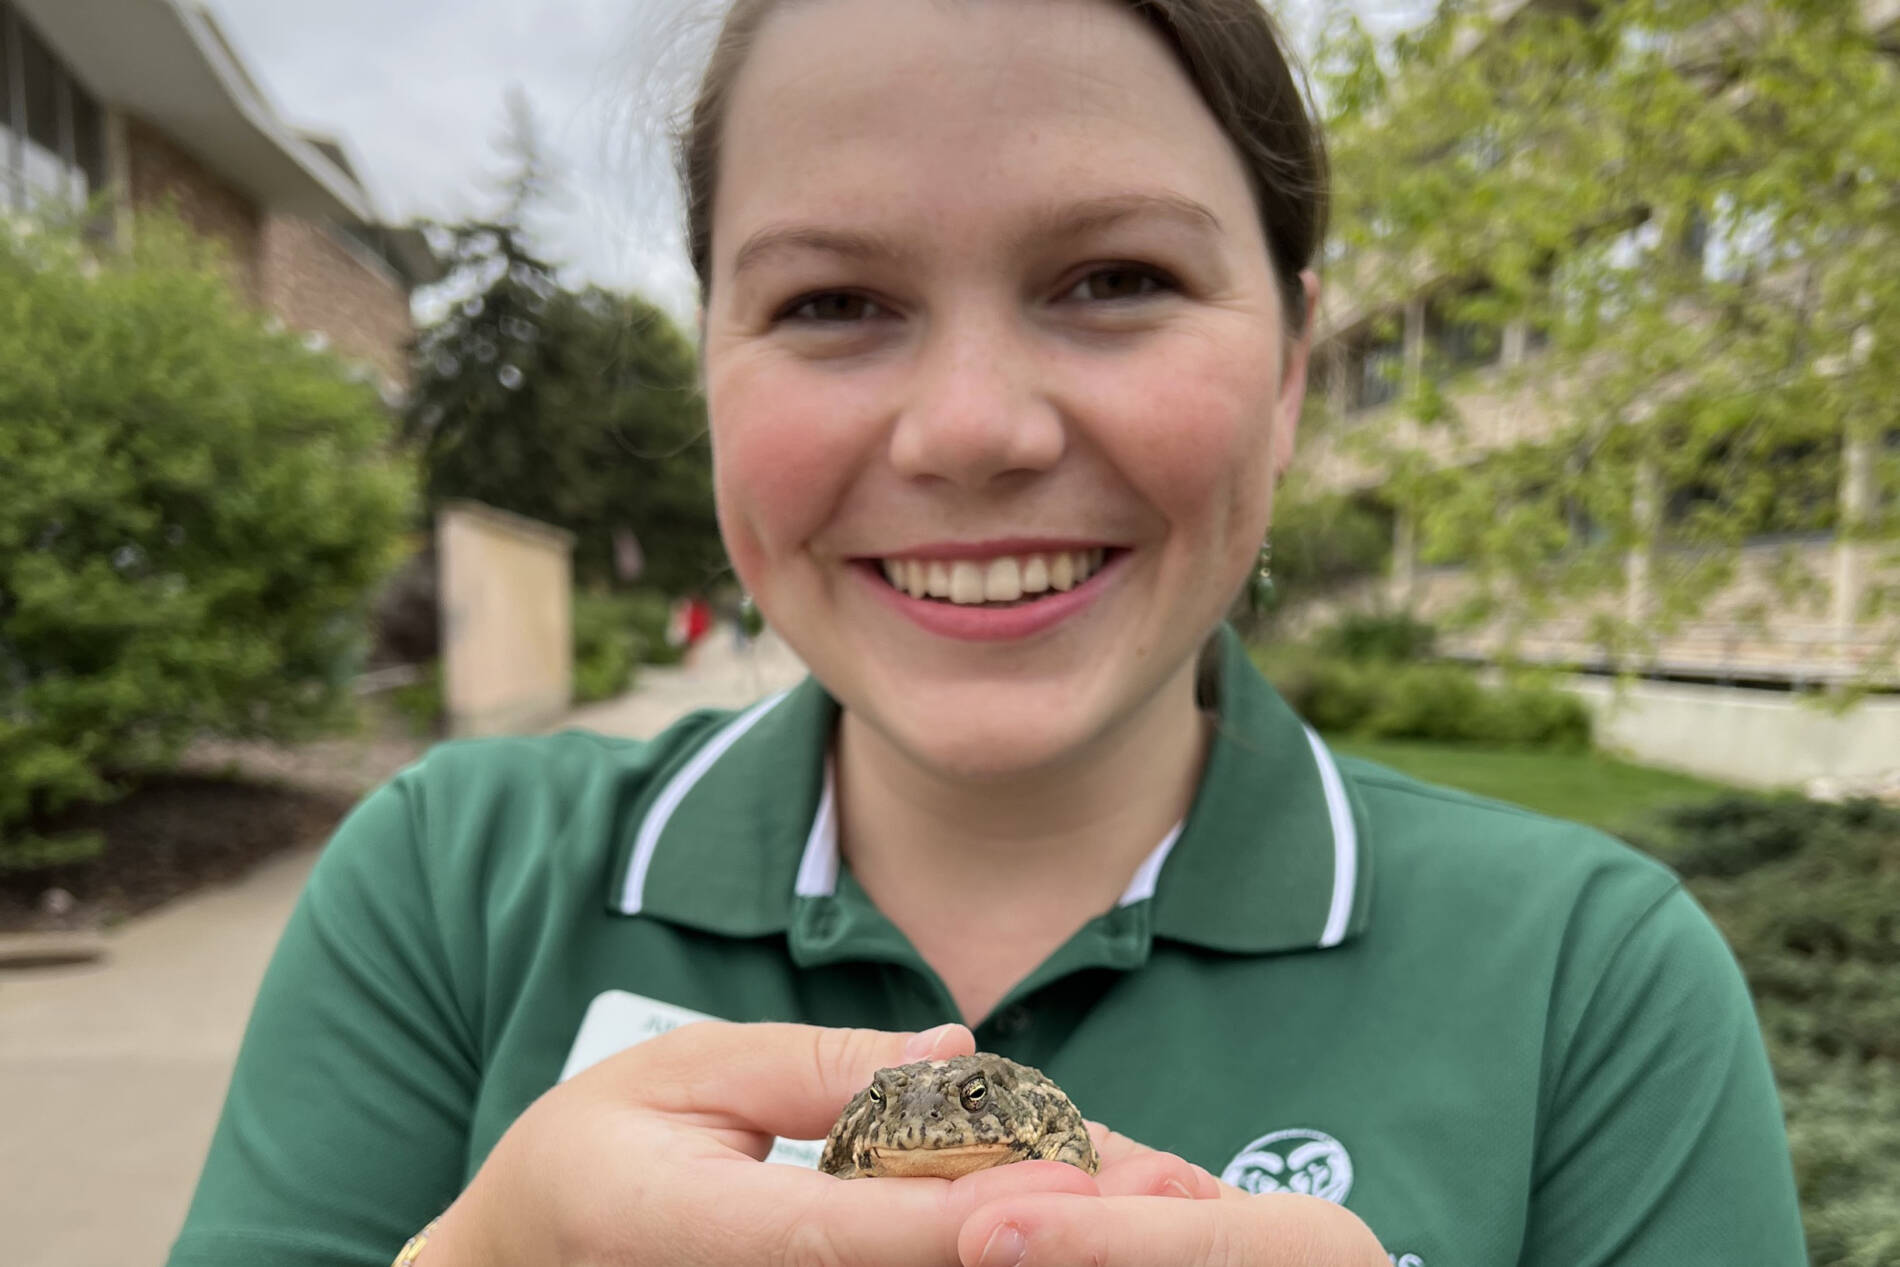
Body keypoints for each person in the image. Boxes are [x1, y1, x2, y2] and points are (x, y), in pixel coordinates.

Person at [167, 1, 1807, 1264]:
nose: (970, 430)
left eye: (1112, 277)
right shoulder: (453, 890)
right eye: (832, 303)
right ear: (713, 371)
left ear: (1296, 364)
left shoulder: (1592, 980)